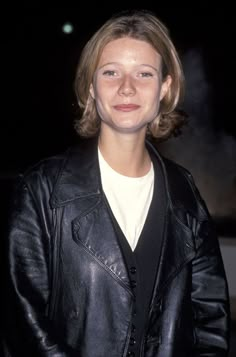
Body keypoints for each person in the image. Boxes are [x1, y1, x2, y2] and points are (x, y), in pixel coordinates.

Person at [3, 9, 230, 357]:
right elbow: (23, 325)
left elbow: (210, 321)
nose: (127, 87)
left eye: (144, 73)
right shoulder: (40, 191)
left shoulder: (185, 193)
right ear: (91, 87)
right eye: (111, 72)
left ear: (165, 88)